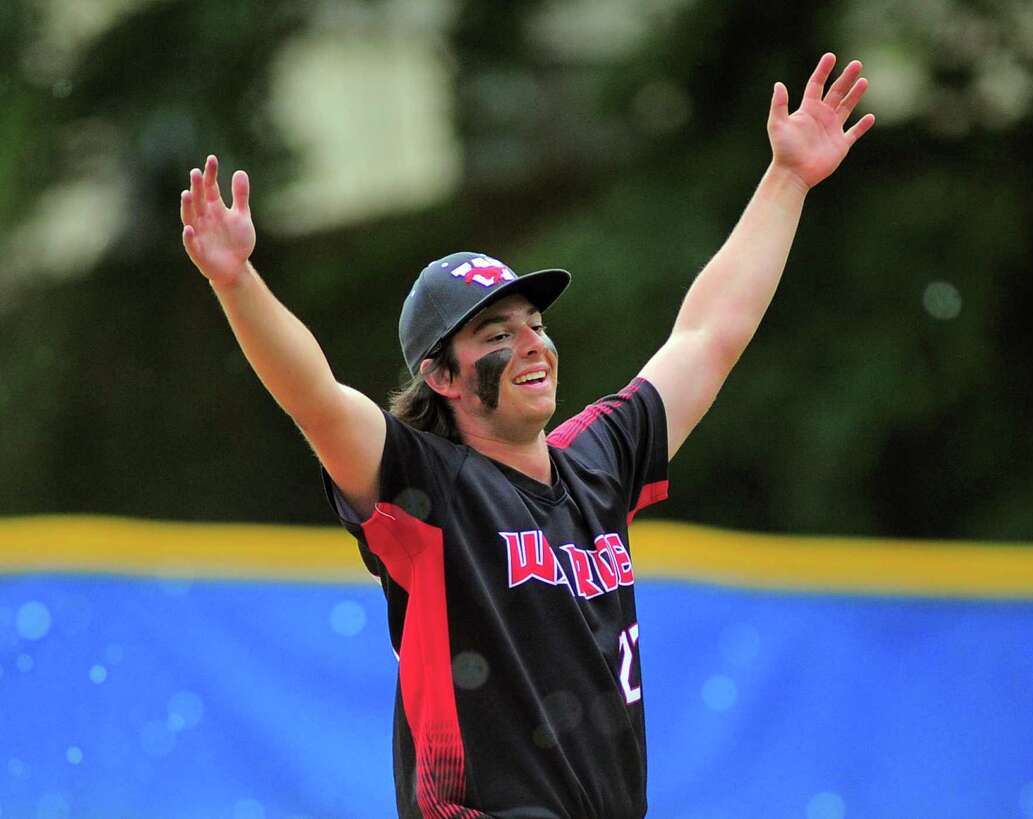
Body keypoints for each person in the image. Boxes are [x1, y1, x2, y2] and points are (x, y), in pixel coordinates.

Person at [180, 52, 872, 819]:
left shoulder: (595, 462)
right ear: (441, 376)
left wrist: (787, 178)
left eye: (536, 323)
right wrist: (236, 282)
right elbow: (313, 398)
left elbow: (708, 335)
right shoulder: (426, 490)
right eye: (496, 334)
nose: (534, 343)